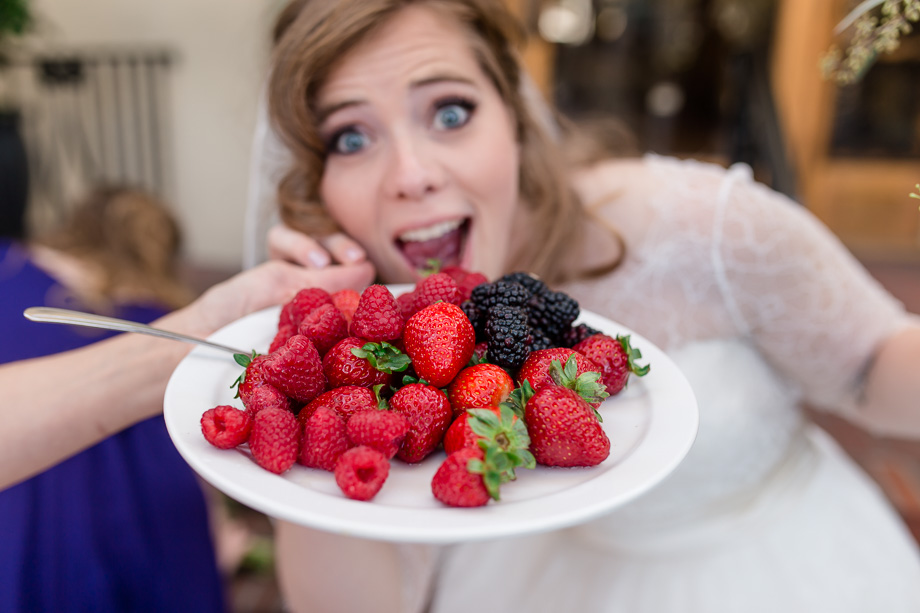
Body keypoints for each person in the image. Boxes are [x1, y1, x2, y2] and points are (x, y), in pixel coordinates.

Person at [247, 1, 920, 611]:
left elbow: (870, 370)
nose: (411, 174)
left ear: (514, 116)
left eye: (450, 112)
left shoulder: (698, 225)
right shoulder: (373, 341)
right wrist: (312, 398)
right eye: (351, 138)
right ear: (318, 181)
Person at [0, 185, 374, 612]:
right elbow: (187, 445)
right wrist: (219, 535)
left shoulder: (6, 268)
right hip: (120, 529)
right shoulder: (153, 317)